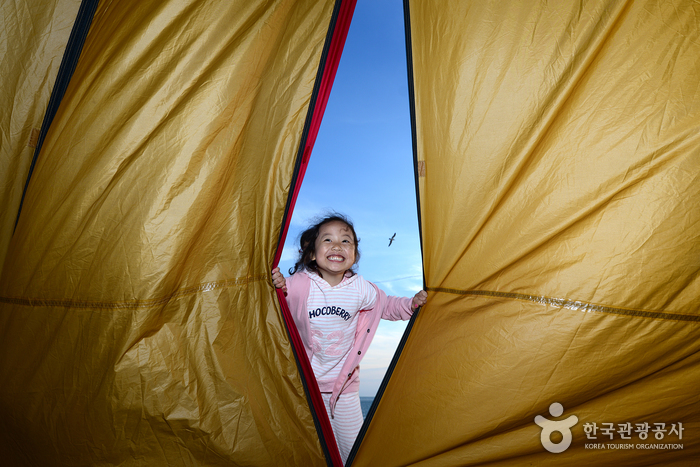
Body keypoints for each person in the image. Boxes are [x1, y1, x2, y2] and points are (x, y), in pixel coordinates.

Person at [271, 213, 427, 464]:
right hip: (303, 386)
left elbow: (386, 305)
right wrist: (278, 284)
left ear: (354, 255)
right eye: (328, 240)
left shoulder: (360, 288)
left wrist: (410, 304)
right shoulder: (300, 284)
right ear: (311, 253)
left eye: (346, 241)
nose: (337, 246)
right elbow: (279, 299)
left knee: (354, 451)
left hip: (344, 387)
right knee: (307, 448)